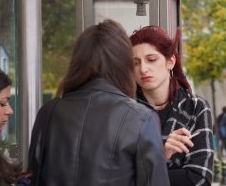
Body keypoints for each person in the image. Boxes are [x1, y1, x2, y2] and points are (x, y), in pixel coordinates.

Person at [28, 19, 168, 186]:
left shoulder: (49, 112)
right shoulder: (142, 119)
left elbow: (34, 177)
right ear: (124, 62)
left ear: (77, 62)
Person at [130, 25, 215, 185]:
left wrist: (146, 172)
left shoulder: (196, 107)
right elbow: (116, 177)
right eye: (135, 63)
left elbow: (199, 178)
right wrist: (160, 155)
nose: (143, 69)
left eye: (151, 59)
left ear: (170, 62)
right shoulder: (125, 109)